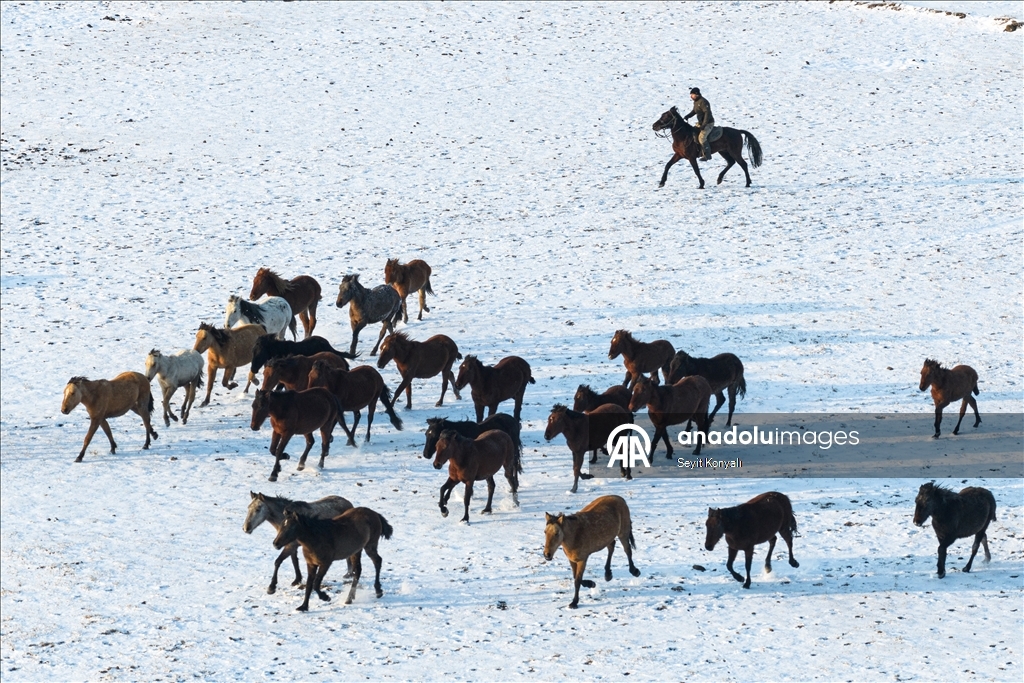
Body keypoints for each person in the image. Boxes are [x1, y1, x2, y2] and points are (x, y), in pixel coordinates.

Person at [682, 87, 715, 161]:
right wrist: (688, 116)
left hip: (708, 123)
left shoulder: (703, 102)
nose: (691, 96)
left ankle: (707, 155)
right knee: (693, 133)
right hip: (700, 123)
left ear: (696, 94)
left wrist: (704, 124)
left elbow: (707, 113)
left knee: (702, 138)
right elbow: (694, 111)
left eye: (692, 95)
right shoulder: (696, 102)